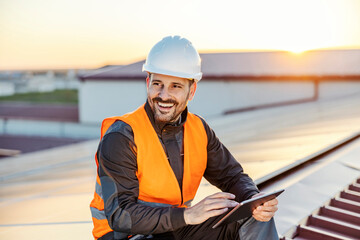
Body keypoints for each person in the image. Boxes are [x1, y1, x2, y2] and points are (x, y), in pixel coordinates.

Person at [90, 36, 279, 240]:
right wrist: (188, 215)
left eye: (175, 86)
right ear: (148, 83)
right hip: (126, 236)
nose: (163, 95)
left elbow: (231, 176)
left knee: (252, 217)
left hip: (172, 228)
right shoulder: (122, 136)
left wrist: (254, 199)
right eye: (158, 84)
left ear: (192, 91)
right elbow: (121, 216)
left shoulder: (198, 129)